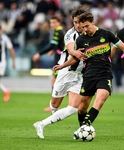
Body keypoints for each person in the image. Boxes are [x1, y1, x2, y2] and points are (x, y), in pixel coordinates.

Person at [53, 11, 124, 139]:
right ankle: (83, 129)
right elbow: (77, 58)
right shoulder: (81, 40)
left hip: (105, 74)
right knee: (82, 108)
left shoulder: (106, 34)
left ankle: (84, 128)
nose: (85, 29)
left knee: (99, 101)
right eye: (83, 27)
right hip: (88, 76)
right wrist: (62, 66)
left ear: (93, 22)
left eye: (87, 26)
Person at [33, 5, 88, 139]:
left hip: (79, 75)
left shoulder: (90, 33)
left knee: (74, 107)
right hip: (65, 72)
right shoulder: (69, 33)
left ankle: (41, 124)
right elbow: (70, 50)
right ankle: (50, 117)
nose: (77, 25)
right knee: (55, 105)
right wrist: (76, 53)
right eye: (74, 22)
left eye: (79, 22)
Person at [33, 16, 65, 111]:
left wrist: (39, 54)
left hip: (59, 59)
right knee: (56, 81)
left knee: (54, 81)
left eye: (54, 22)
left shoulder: (58, 32)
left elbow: (52, 45)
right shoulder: (62, 31)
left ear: (59, 22)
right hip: (61, 57)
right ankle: (54, 104)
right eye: (51, 23)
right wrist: (54, 50)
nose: (52, 24)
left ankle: (53, 105)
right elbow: (60, 45)